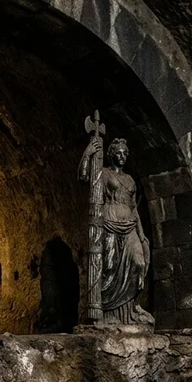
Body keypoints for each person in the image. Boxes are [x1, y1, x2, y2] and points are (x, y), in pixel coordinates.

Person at [78, 136, 153, 324]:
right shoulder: (102, 173)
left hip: (129, 225)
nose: (121, 156)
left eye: (124, 153)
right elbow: (83, 176)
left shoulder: (129, 180)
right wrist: (88, 154)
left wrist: (142, 234)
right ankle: (106, 312)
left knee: (139, 262)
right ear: (111, 155)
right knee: (109, 267)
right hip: (110, 222)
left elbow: (134, 207)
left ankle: (133, 308)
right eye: (117, 153)